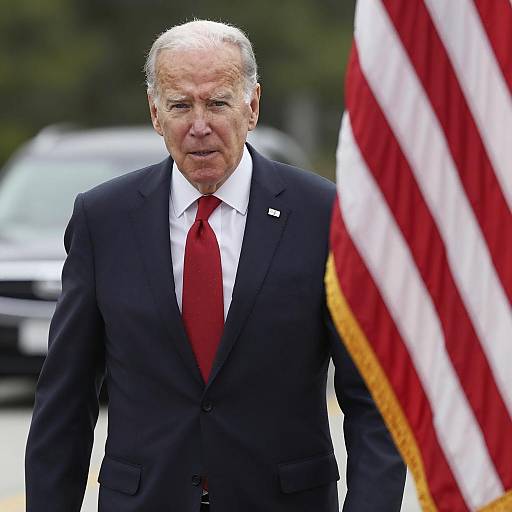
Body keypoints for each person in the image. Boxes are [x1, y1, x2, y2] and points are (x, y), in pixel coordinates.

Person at [25, 19, 405, 512]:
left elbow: (373, 401)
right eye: (181, 105)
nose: (199, 124)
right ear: (155, 113)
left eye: (218, 103)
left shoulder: (325, 216)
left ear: (252, 106)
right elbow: (66, 404)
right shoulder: (104, 219)